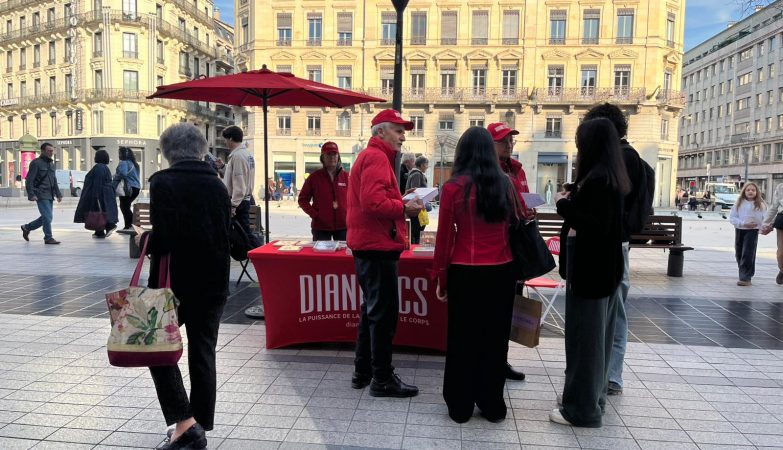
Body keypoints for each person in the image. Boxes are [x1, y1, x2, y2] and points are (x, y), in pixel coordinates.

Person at [136, 123, 231, 450]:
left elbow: (166, 238)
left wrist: (144, 237)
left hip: (173, 285)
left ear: (167, 151)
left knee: (155, 349)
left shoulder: (162, 182)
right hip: (214, 283)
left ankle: (186, 424)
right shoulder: (217, 185)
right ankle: (198, 426)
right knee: (203, 353)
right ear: (201, 148)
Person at [431, 127, 517, 424]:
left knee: (462, 339)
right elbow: (514, 226)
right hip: (502, 270)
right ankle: (492, 404)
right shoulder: (506, 184)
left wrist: (441, 278)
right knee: (495, 339)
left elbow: (444, 239)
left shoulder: (453, 188)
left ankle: (460, 404)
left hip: (465, 271)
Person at [550, 118, 630, 428]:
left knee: (586, 343)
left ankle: (581, 410)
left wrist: (563, 205)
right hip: (605, 272)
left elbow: (593, 226)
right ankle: (592, 400)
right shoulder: (611, 177)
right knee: (599, 341)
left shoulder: (598, 180)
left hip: (591, 273)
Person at [347, 109, 423, 397]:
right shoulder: (377, 158)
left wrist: (398, 202)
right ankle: (381, 378)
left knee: (372, 311)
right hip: (377, 246)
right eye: (398, 130)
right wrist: (404, 207)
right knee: (383, 315)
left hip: (370, 244)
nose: (403, 136)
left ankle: (363, 372)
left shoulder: (371, 157)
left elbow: (372, 200)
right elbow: (373, 203)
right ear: (381, 132)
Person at [583, 102, 652, 396]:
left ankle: (611, 375)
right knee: (613, 309)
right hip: (617, 242)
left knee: (614, 311)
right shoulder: (624, 157)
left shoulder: (622, 159)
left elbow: (607, 207)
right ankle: (607, 374)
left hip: (613, 244)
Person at [487, 122, 527, 381]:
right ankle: (491, 361)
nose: (509, 145)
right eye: (503, 141)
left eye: (511, 140)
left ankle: (502, 359)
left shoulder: (518, 169)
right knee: (494, 310)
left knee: (511, 306)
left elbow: (525, 199)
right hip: (495, 250)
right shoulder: (487, 172)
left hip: (518, 245)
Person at [298, 141, 349, 241]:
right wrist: (315, 215)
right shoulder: (314, 177)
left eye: (334, 154)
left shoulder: (346, 177)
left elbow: (355, 199)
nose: (332, 157)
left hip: (343, 227)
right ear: (322, 158)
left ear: (338, 157)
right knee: (321, 256)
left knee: (342, 256)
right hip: (321, 228)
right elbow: (302, 200)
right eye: (328, 154)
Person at [222, 125, 262, 248]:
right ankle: (257, 252)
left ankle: (258, 253)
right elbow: (238, 176)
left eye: (226, 139)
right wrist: (224, 167)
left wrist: (233, 205)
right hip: (244, 199)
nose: (225, 142)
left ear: (231, 139)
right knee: (245, 232)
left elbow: (239, 184)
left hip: (238, 202)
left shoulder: (238, 156)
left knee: (244, 234)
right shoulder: (246, 154)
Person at [21, 142, 62, 245]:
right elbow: (29, 180)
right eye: (49, 151)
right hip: (40, 194)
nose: (51, 153)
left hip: (50, 194)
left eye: (52, 151)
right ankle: (48, 238)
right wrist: (31, 194)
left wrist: (58, 193)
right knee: (47, 217)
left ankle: (27, 227)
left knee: (47, 217)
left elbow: (54, 180)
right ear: (43, 151)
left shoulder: (51, 164)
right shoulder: (36, 163)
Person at [74, 150, 119, 238]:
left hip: (100, 193)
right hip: (106, 193)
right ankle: (99, 231)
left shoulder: (99, 167)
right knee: (101, 211)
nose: (94, 157)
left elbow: (98, 182)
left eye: (96, 155)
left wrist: (95, 195)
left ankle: (108, 226)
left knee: (99, 211)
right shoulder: (105, 167)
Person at [730, 182, 766, 286]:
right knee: (739, 253)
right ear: (744, 191)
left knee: (748, 253)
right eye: (748, 190)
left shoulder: (760, 204)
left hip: (752, 231)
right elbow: (732, 217)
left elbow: (765, 218)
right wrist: (742, 223)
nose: (750, 192)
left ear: (757, 192)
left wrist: (763, 227)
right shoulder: (739, 203)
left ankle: (746, 277)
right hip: (740, 229)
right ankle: (743, 272)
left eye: (753, 190)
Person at [114, 147, 142, 233]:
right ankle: (132, 225)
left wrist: (115, 176)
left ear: (123, 154)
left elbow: (122, 173)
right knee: (126, 206)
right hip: (136, 188)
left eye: (120, 153)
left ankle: (131, 225)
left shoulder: (123, 163)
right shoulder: (134, 164)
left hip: (127, 188)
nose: (118, 155)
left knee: (124, 207)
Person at [761, 183, 783, 284]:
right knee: (781, 253)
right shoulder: (780, 187)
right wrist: (765, 223)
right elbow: (774, 207)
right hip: (782, 220)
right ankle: (782, 269)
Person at [406, 156, 429, 244]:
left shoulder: (416, 174)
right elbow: (415, 190)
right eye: (426, 164)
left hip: (417, 206)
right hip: (416, 207)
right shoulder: (417, 174)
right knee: (417, 230)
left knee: (418, 228)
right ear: (422, 165)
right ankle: (414, 248)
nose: (427, 167)